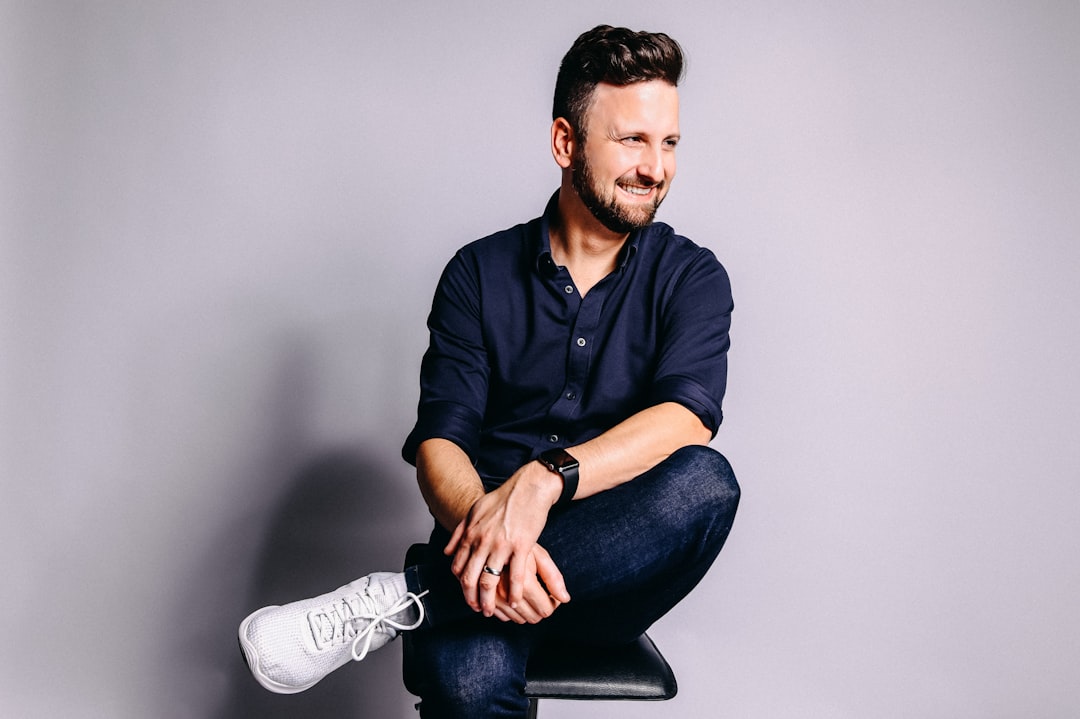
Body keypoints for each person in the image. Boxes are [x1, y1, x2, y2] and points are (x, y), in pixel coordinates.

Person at [238, 24, 740, 718]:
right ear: (566, 142)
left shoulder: (692, 277)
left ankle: (412, 596)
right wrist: (494, 527)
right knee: (466, 685)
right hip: (479, 550)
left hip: (609, 572)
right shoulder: (477, 272)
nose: (656, 167)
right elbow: (442, 442)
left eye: (670, 142)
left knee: (706, 483)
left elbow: (686, 420)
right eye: (632, 140)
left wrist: (545, 480)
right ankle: (453, 588)